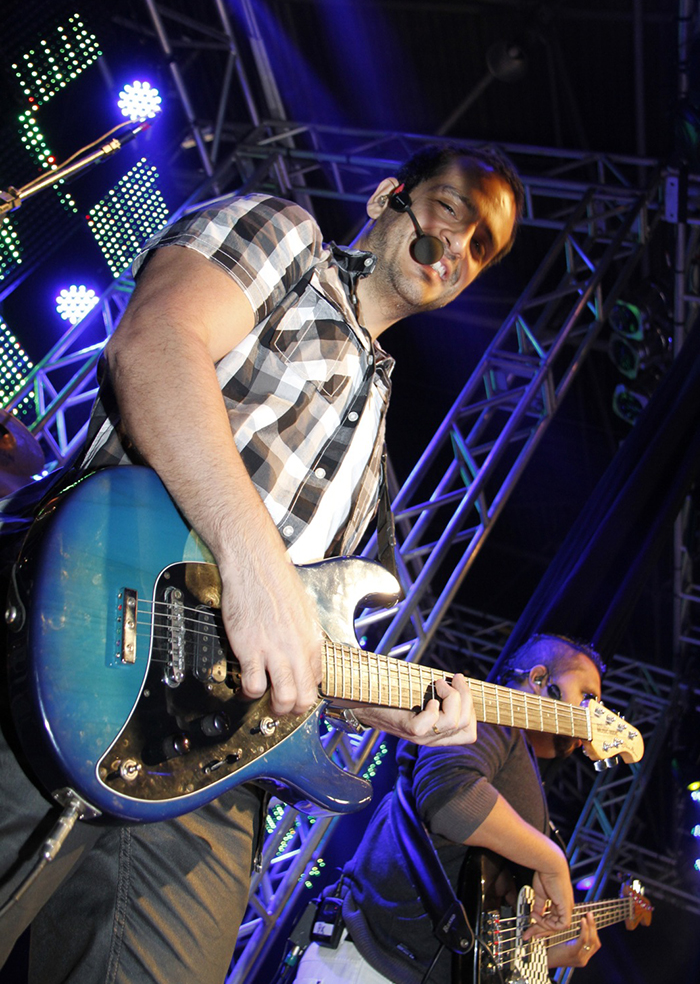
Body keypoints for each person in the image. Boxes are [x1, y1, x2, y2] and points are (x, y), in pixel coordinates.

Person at [0, 143, 523, 984]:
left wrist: (395, 712)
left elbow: (296, 630)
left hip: (210, 766)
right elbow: (155, 343)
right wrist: (252, 561)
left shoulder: (375, 444)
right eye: (452, 211)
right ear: (388, 197)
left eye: (482, 247)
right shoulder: (290, 238)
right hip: (76, 639)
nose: (459, 246)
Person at [294, 634, 606, 984]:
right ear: (539, 679)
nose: (593, 713)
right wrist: (551, 860)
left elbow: (481, 921)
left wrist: (543, 956)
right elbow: (450, 799)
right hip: (373, 965)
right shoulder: (490, 715)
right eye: (588, 696)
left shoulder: (519, 758)